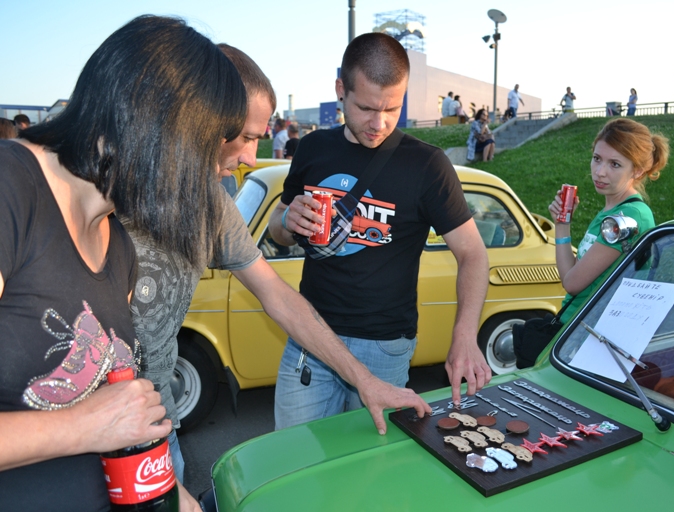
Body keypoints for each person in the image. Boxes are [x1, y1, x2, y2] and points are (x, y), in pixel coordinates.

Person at [128, 43, 429, 485]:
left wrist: (364, 380)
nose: (252, 157)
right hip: (70, 454)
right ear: (199, 117)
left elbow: (279, 298)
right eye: (247, 137)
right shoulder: (70, 193)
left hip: (156, 432)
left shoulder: (213, 204)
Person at [0, 15, 248, 512]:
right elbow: (96, 420)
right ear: (150, 125)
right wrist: (84, 426)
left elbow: (120, 418)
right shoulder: (12, 188)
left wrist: (177, 496)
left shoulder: (118, 247)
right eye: (202, 151)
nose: (212, 174)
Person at [268, 32, 491, 429]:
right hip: (312, 339)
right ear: (341, 89)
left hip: (384, 348)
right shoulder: (313, 148)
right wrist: (287, 221)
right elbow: (277, 229)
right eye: (367, 108)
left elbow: (473, 253)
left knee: (370, 472)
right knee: (294, 460)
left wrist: (465, 334)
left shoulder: (428, 165)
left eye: (393, 108)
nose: (380, 123)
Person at [549, 118, 670, 325]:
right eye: (597, 158)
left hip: (592, 332)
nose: (600, 172)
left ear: (638, 170)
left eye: (615, 164)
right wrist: (562, 224)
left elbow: (571, 283)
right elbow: (570, 274)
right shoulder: (610, 212)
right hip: (574, 326)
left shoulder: (629, 217)